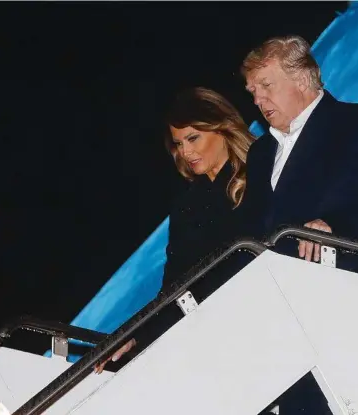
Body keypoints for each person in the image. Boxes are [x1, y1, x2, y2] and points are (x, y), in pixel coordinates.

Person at [94, 87, 255, 373]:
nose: (186, 152)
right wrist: (136, 335)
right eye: (179, 143)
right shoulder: (187, 205)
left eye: (193, 138)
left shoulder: (261, 171)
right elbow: (173, 285)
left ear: (222, 129)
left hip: (257, 316)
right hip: (209, 334)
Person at [241, 35, 358, 282]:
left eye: (266, 85)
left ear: (303, 79)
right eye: (252, 91)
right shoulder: (259, 154)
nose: (257, 100)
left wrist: (334, 229)